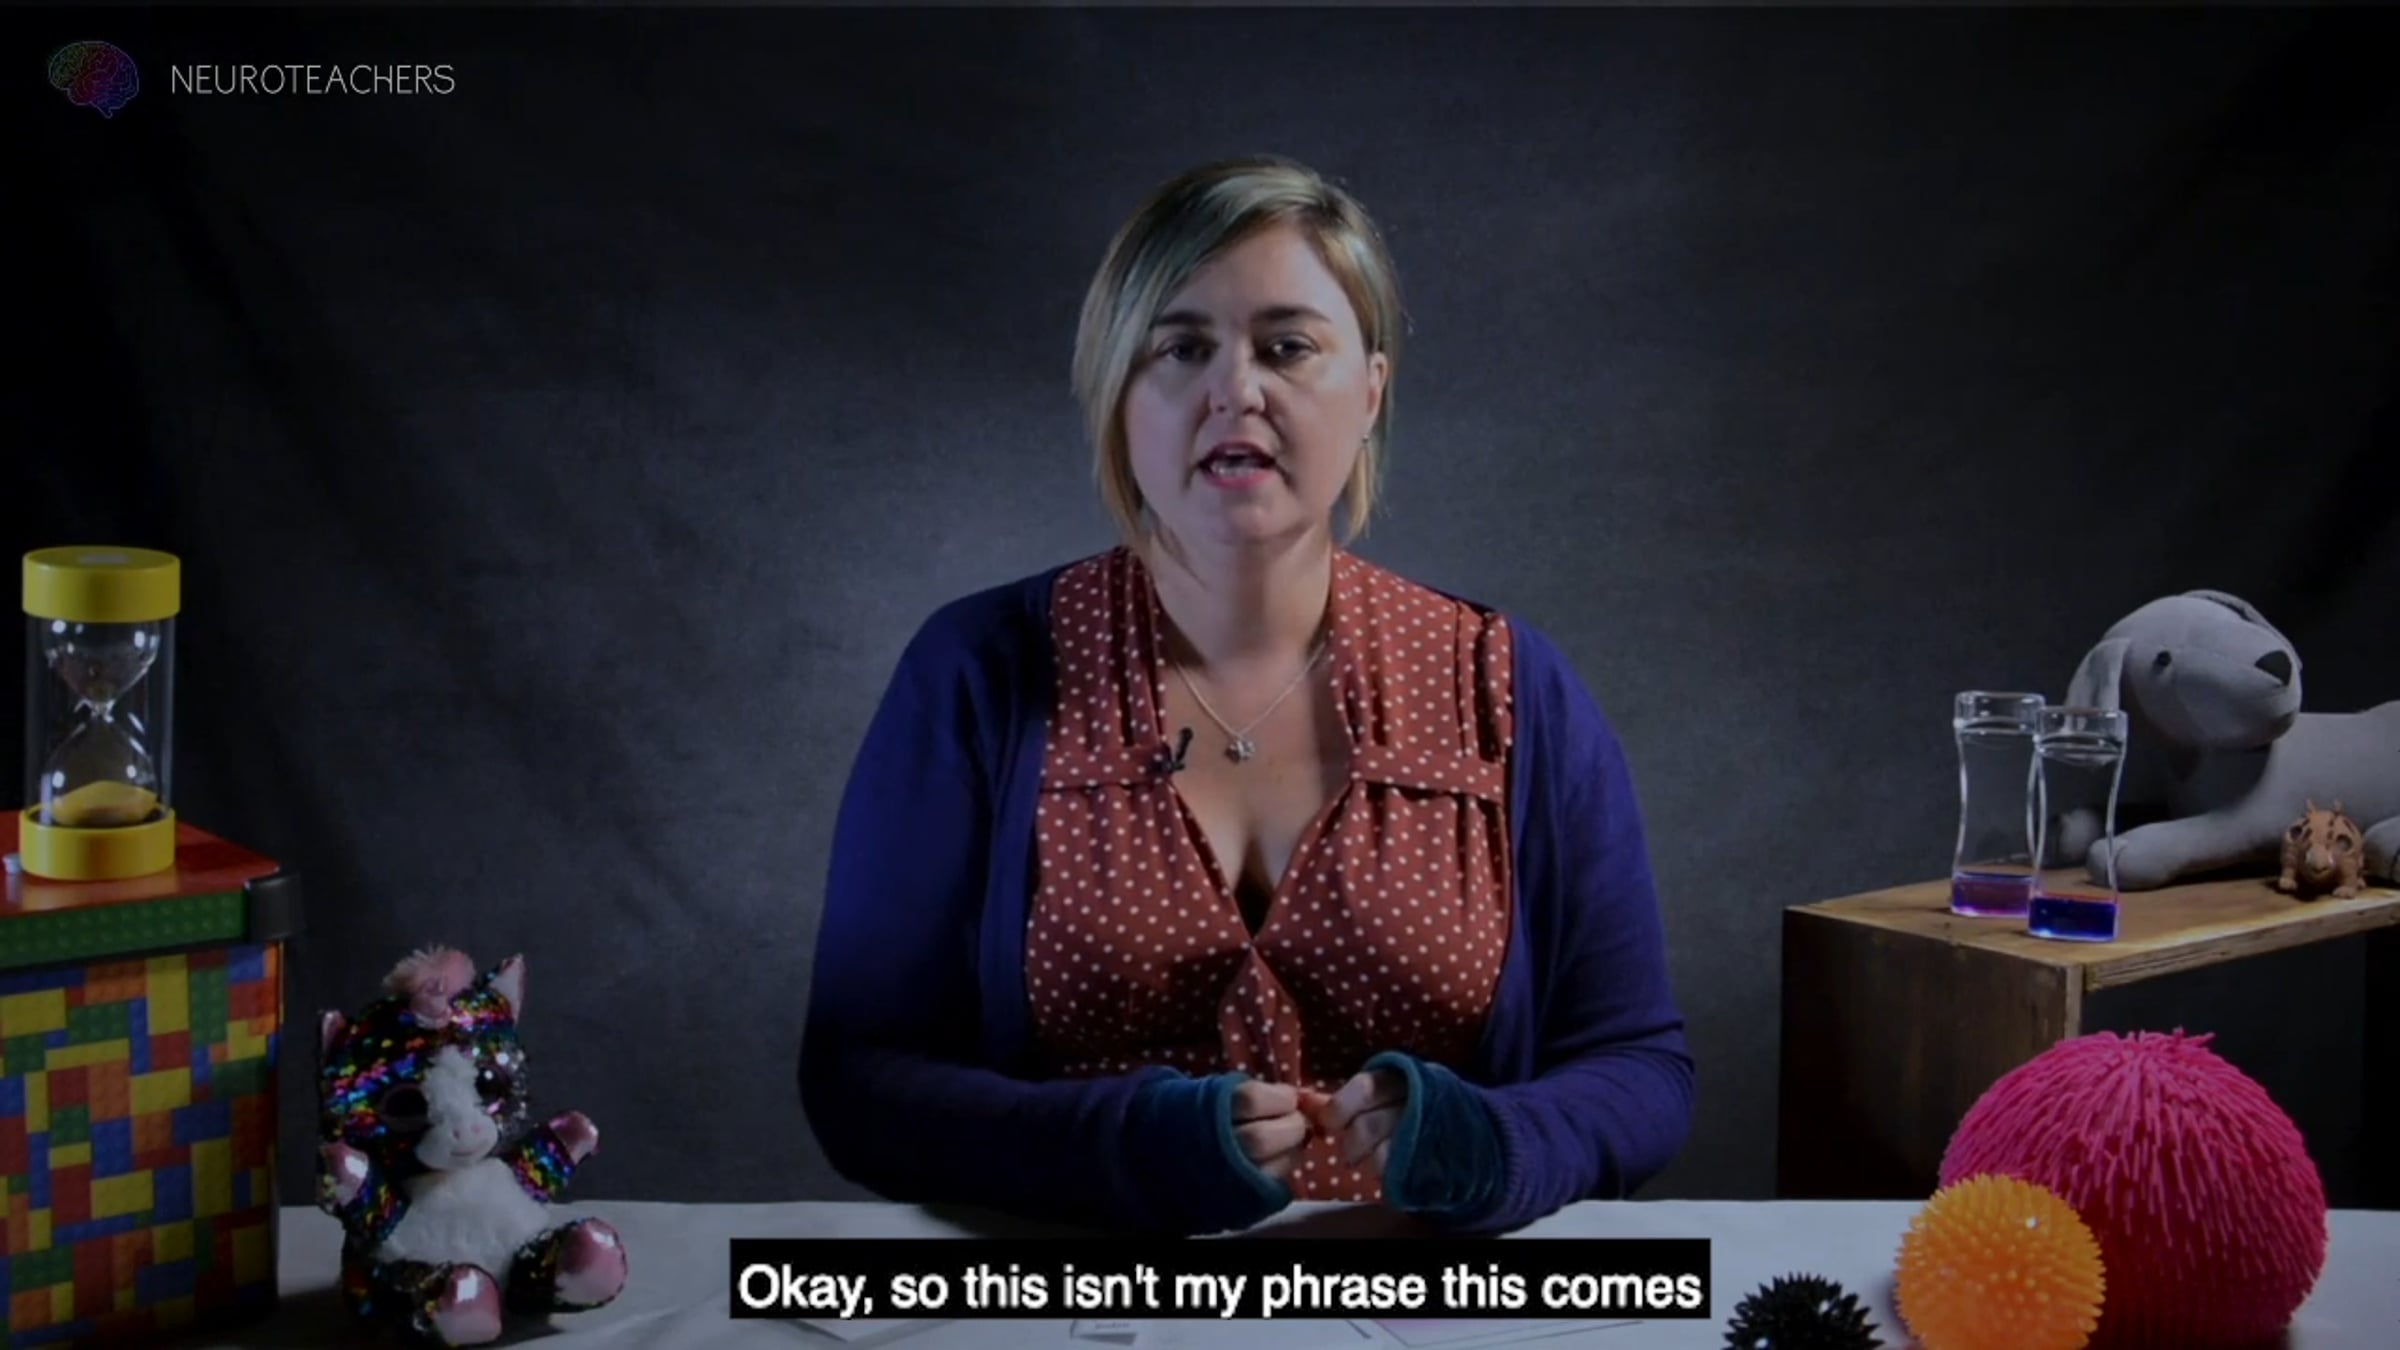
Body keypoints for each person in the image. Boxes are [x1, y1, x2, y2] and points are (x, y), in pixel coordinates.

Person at [800, 155, 1694, 1236]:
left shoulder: (1510, 686)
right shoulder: (980, 671)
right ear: (1118, 396)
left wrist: (1494, 1144)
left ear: (1370, 391)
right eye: (1181, 348)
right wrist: (1121, 1146)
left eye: (1287, 347)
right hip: (1078, 1298)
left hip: (1430, 1304)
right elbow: (858, 1078)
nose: (1236, 390)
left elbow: (1640, 1066)